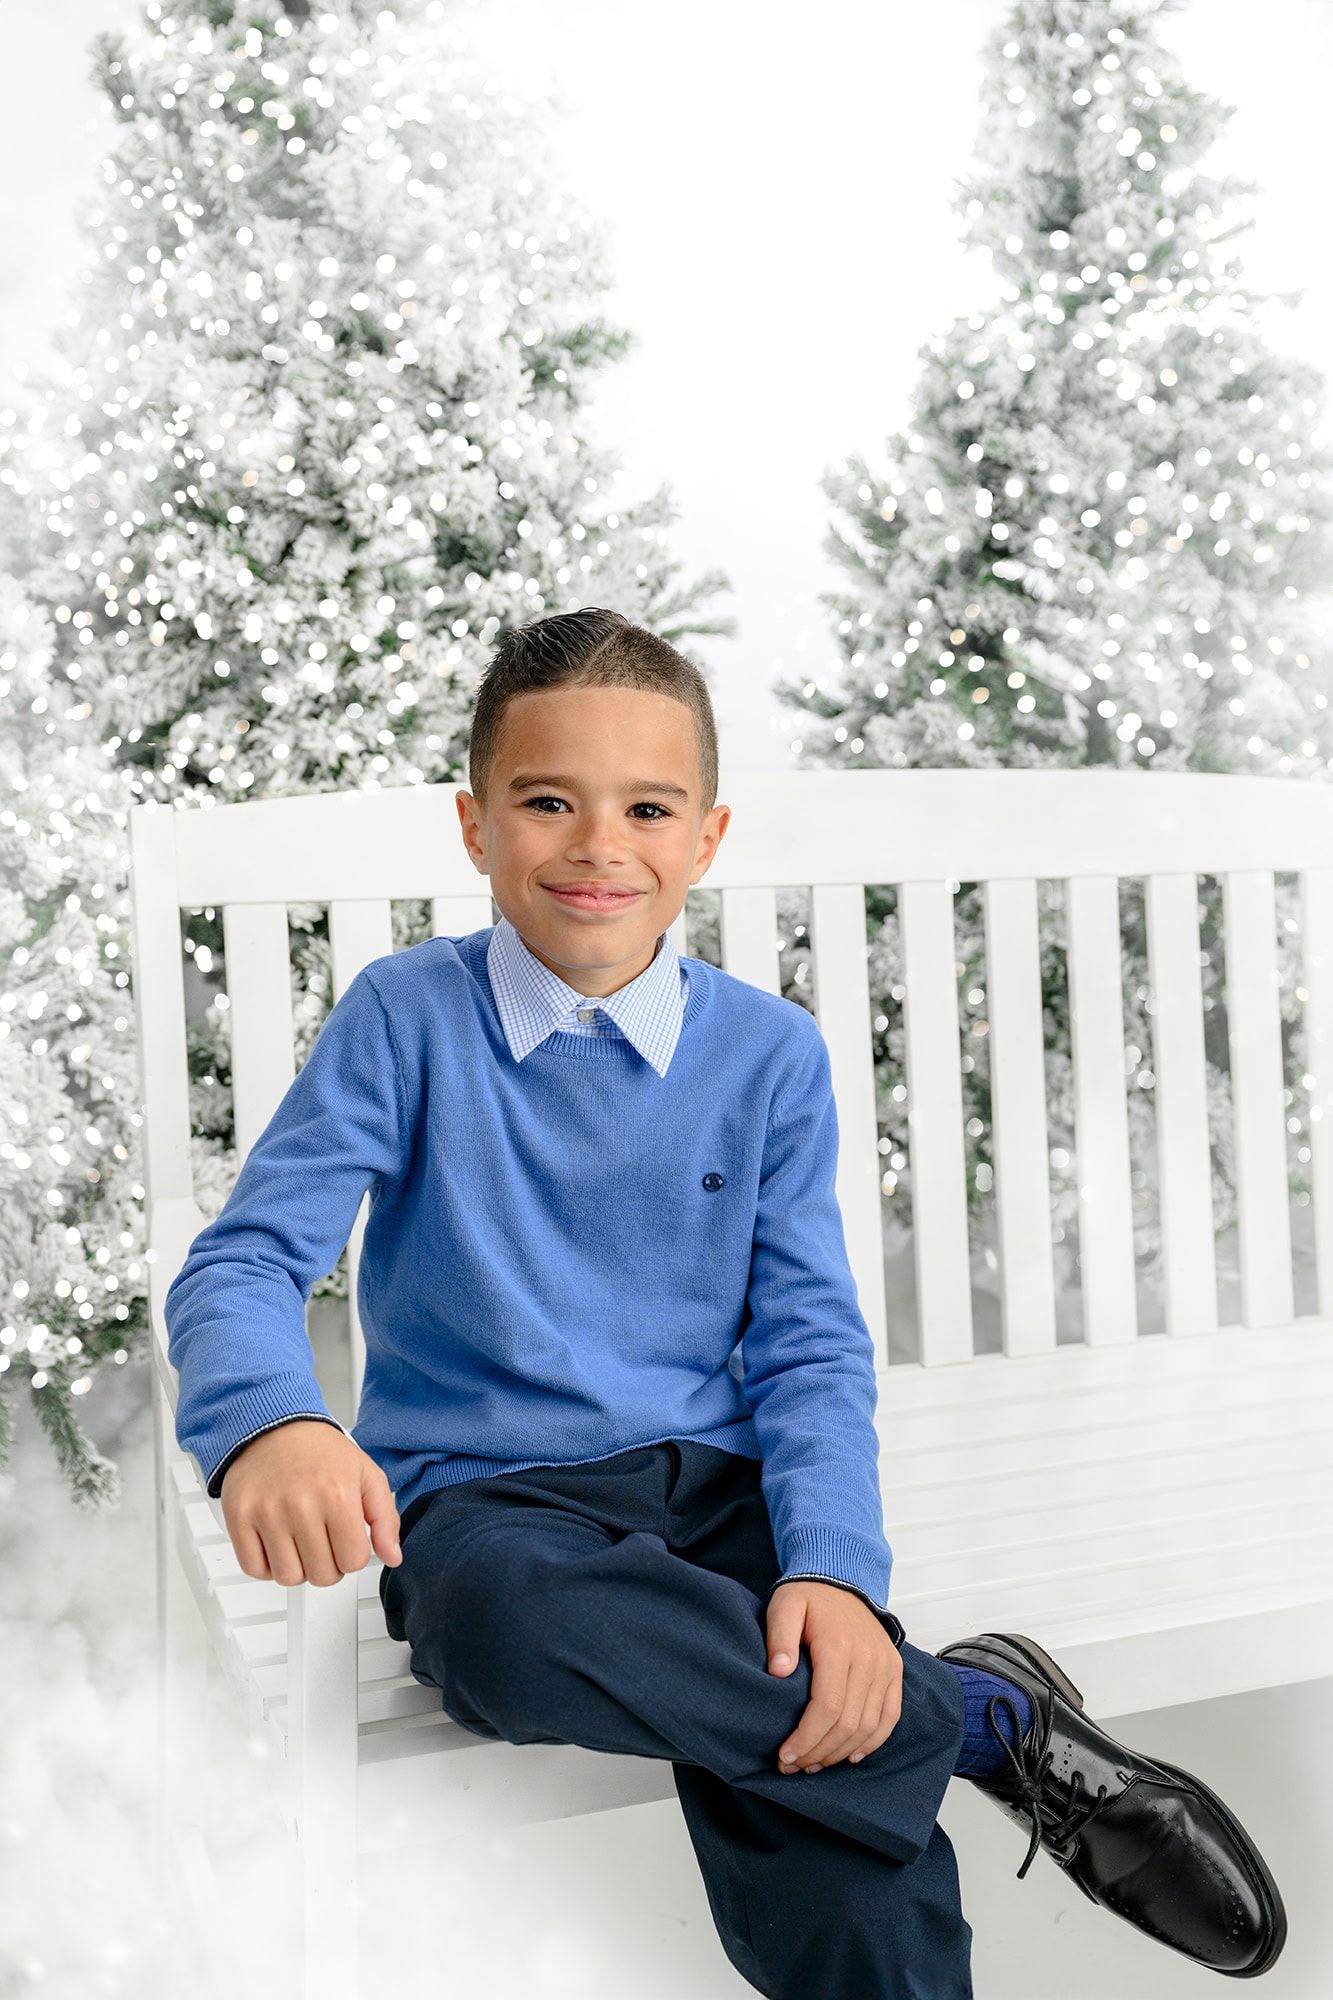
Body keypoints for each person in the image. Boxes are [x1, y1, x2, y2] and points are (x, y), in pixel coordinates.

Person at [165, 608, 1286, 1998]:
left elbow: (810, 1344)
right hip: (495, 1507)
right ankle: (982, 1720)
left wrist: (830, 1574)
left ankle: (899, 1698)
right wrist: (270, 1421)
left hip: (725, 1498)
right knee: (513, 1637)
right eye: (546, 802)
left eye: (645, 807)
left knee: (839, 1866)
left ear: (705, 837)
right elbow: (243, 1263)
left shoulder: (766, 1056)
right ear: (473, 827)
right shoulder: (405, 1018)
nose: (596, 845)